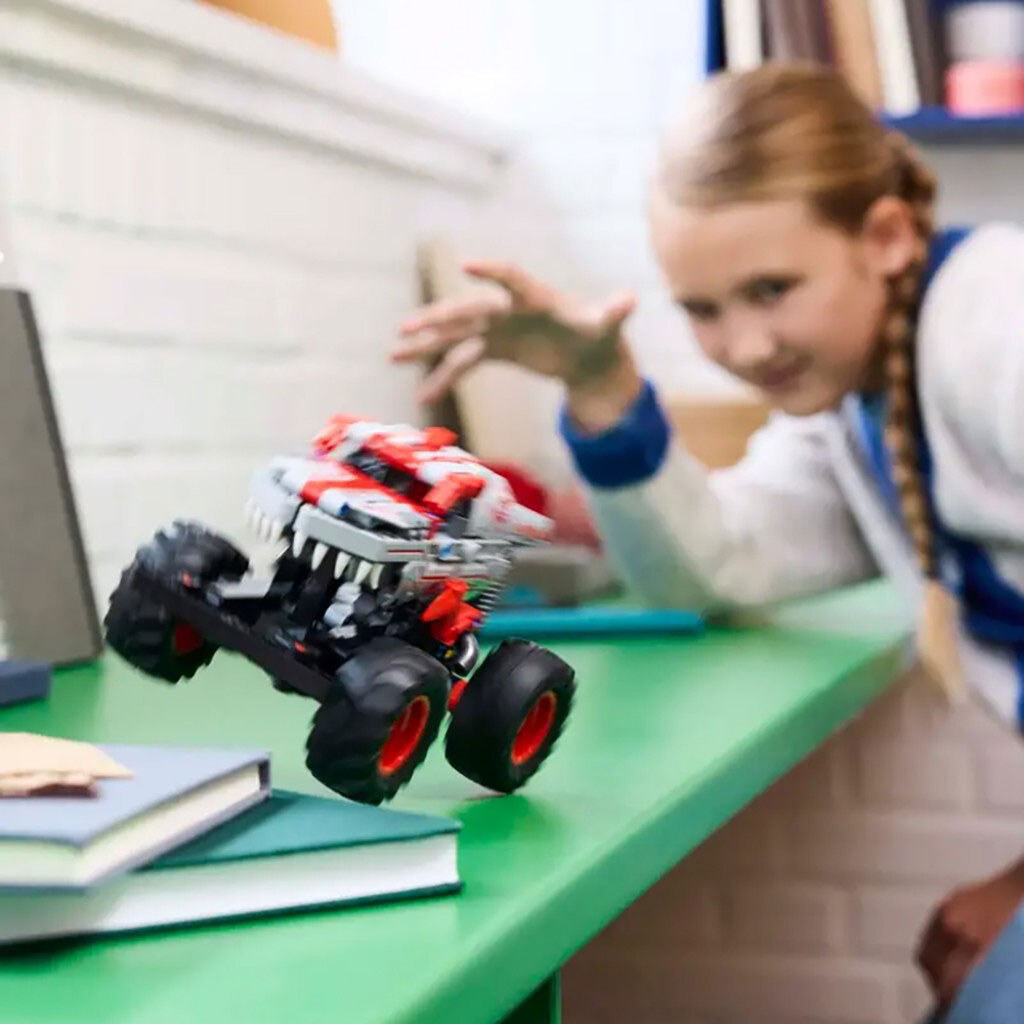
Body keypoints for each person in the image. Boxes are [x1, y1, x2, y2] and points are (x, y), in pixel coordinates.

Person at [393, 63, 1024, 1019]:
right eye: (703, 309)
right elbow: (715, 564)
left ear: (887, 236)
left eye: (772, 288)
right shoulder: (852, 411)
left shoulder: (997, 325)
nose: (744, 346)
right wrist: (603, 393)